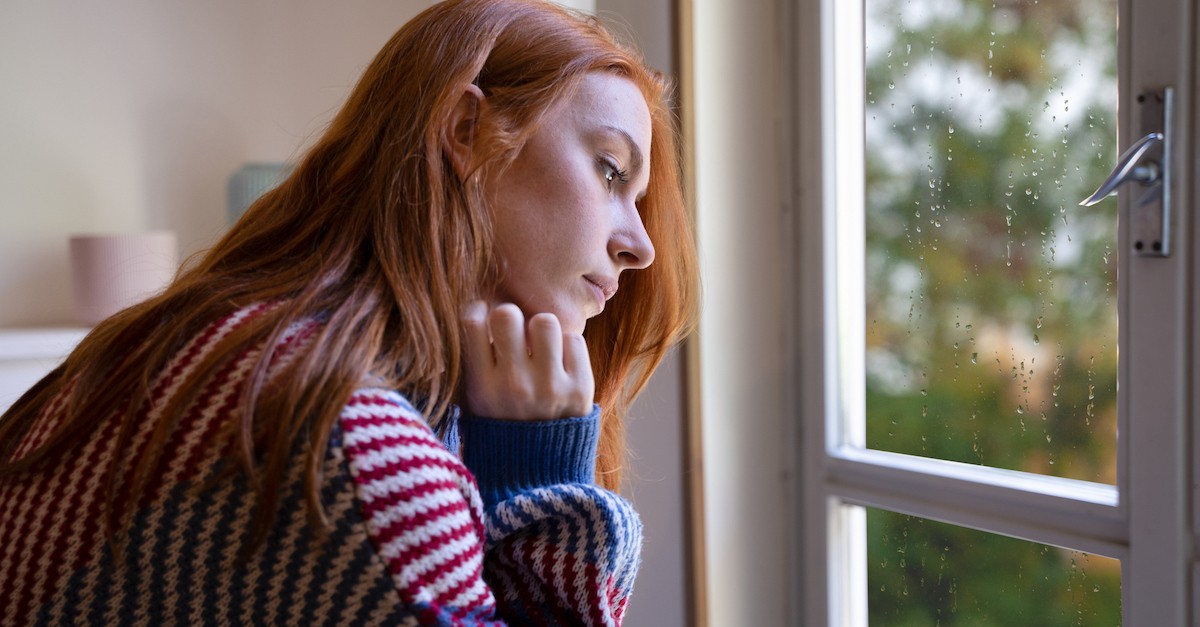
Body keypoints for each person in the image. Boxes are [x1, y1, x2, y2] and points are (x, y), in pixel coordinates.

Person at [0, 0, 699, 624]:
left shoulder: (228, 343)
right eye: (611, 171)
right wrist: (545, 483)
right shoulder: (357, 449)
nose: (638, 246)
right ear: (465, 129)